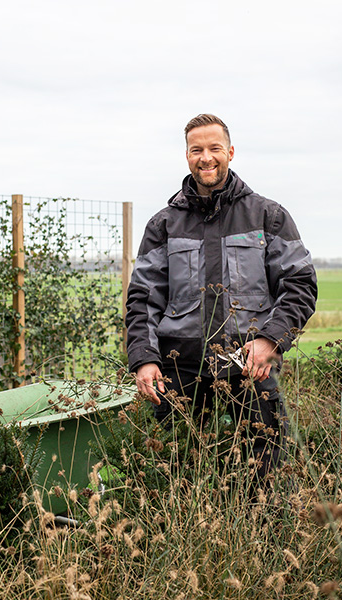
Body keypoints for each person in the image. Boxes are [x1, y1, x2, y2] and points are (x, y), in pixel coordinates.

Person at [125, 114, 317, 479]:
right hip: (180, 372)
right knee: (174, 472)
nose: (206, 157)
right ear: (186, 156)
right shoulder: (163, 225)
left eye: (215, 148)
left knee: (267, 473)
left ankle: (263, 533)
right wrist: (144, 360)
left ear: (230, 152)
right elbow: (143, 299)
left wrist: (270, 340)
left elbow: (300, 285)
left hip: (250, 366)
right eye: (197, 150)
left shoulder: (268, 216)